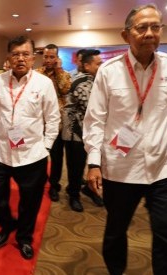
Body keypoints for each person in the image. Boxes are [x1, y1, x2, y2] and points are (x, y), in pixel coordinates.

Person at [83, 4, 167, 275]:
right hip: (120, 168)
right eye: (142, 27)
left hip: (163, 166)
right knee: (116, 230)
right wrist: (94, 163)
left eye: (156, 27)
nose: (149, 33)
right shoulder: (109, 71)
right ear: (125, 35)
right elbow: (94, 120)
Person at [0, 36, 60, 259]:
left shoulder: (43, 84)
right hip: (0, 151)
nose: (20, 59)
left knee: (30, 201)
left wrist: (46, 147)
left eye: (25, 54)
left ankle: (24, 237)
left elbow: (53, 118)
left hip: (32, 154)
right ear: (8, 58)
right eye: (15, 54)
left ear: (33, 58)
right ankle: (7, 224)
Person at [61, 49, 104, 212]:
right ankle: (73, 195)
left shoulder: (97, 81)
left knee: (94, 165)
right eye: (98, 63)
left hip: (91, 133)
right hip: (76, 133)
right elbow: (91, 111)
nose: (101, 66)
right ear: (87, 66)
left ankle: (89, 189)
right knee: (75, 168)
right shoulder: (82, 83)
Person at [35, 44, 71, 204]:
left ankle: (54, 186)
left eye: (52, 57)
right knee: (38, 157)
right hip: (37, 123)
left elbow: (64, 90)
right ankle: (38, 183)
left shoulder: (64, 74)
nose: (48, 60)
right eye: (46, 56)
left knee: (56, 158)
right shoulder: (35, 74)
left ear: (57, 58)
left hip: (56, 124)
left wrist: (58, 70)